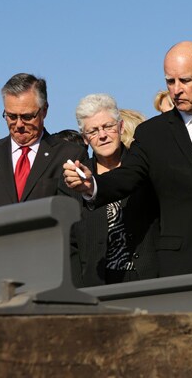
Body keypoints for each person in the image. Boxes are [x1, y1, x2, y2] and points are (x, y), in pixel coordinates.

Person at [64, 41, 192, 277]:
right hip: (184, 262)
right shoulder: (152, 133)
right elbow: (128, 175)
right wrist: (92, 185)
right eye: (169, 81)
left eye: (184, 80)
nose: (176, 90)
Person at [60, 94, 158, 287]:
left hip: (150, 280)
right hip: (99, 285)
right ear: (85, 139)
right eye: (93, 131)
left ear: (121, 127)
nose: (102, 135)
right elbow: (70, 246)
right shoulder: (72, 183)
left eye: (108, 127)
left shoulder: (147, 168)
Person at [0, 73, 88, 212]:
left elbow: (76, 218)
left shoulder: (69, 155)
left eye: (27, 117)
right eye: (12, 116)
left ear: (44, 110)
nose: (19, 124)